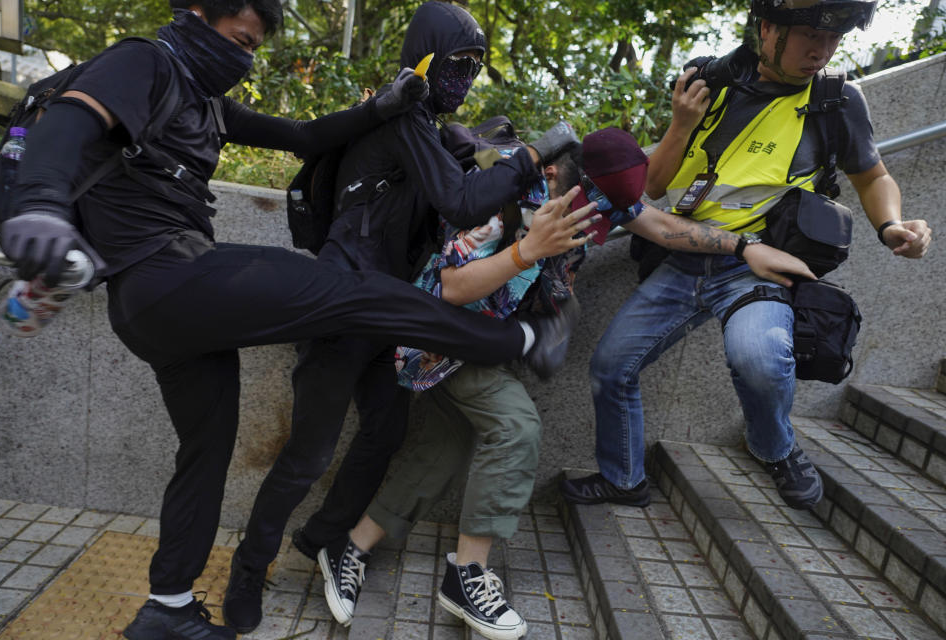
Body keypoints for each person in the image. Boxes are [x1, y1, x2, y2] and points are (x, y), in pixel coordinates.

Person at [0, 3, 575, 639]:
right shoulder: (142, 61)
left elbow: (301, 136)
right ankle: (516, 339)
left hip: (167, 313)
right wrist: (42, 208)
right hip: (174, 276)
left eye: (255, 45)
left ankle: (168, 608)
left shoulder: (209, 103)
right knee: (344, 335)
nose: (246, 56)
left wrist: (382, 105)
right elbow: (72, 120)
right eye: (241, 38)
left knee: (217, 454)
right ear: (198, 12)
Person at [315, 127, 819, 639]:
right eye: (591, 210)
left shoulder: (593, 191)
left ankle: (350, 547)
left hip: (491, 341)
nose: (597, 222)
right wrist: (527, 251)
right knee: (516, 428)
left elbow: (662, 227)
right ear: (551, 173)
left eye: (606, 214)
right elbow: (449, 287)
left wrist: (745, 246)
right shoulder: (500, 191)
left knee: (442, 449)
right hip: (439, 337)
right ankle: (468, 573)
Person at [219, 2, 580, 633]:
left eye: (475, 68)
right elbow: (462, 203)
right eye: (457, 64)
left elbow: (459, 197)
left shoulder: (431, 131)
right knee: (307, 455)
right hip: (343, 303)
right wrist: (531, 156)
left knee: (385, 434)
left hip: (390, 312)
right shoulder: (400, 116)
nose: (464, 80)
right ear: (425, 57)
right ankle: (247, 574)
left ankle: (332, 543)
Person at [561, 0, 932, 512]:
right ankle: (624, 479)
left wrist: (891, 225)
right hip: (681, 255)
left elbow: (873, 176)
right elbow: (653, 185)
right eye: (808, 37)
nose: (821, 52)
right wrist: (681, 123)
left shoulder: (836, 100)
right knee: (610, 365)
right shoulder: (708, 82)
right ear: (768, 28)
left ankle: (774, 447)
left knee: (759, 357)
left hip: (759, 265)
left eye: (833, 40)